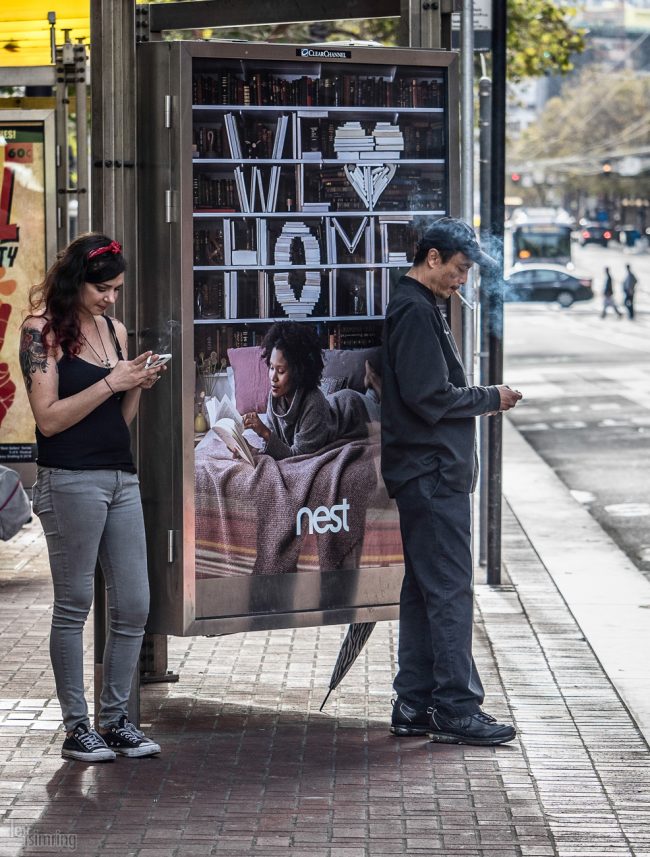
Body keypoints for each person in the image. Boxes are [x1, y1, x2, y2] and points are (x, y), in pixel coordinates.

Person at [19, 233, 165, 762]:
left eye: (117, 289)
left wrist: (134, 386)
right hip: (69, 478)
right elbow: (49, 419)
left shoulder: (114, 330)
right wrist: (112, 382)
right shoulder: (41, 333)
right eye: (102, 288)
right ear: (76, 280)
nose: (110, 298)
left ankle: (116, 719)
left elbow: (116, 420)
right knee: (75, 603)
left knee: (135, 603)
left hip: (120, 476)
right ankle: (77, 726)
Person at [381, 217, 522, 746]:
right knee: (448, 592)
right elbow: (429, 397)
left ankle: (415, 703)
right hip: (431, 472)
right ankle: (457, 708)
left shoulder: (420, 305)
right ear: (433, 257)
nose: (462, 281)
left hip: (427, 471)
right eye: (459, 269)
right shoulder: (416, 309)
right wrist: (490, 398)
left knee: (423, 590)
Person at [242, 321, 380, 460]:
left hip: (353, 409)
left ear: (298, 372)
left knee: (384, 412)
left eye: (281, 370)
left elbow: (297, 456)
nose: (273, 377)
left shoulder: (314, 403)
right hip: (332, 405)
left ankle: (375, 384)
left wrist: (264, 432)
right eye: (271, 368)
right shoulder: (275, 397)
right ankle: (370, 384)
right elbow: (277, 445)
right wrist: (252, 450)